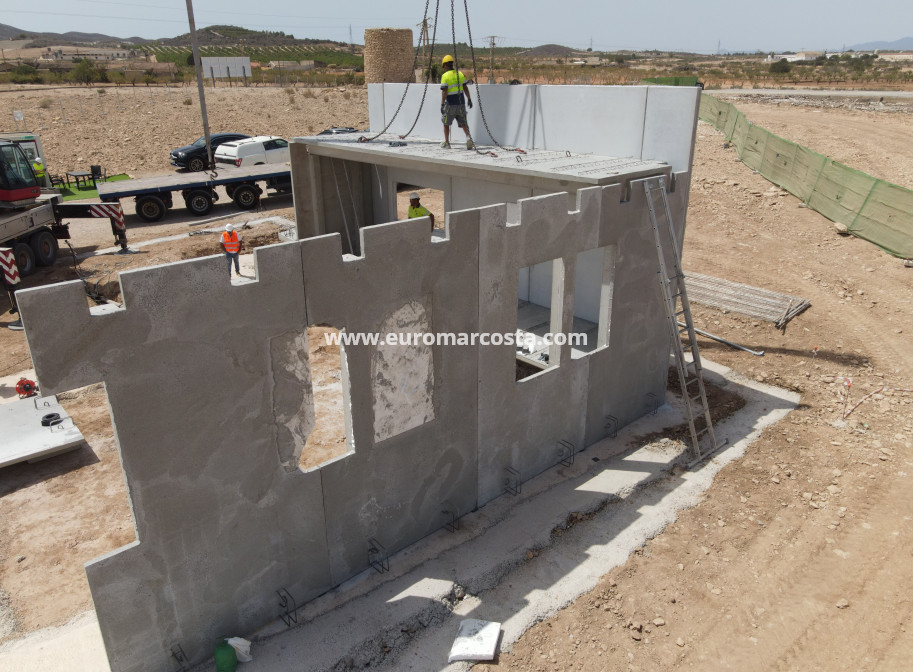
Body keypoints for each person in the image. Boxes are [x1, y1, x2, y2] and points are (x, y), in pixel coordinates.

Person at [439, 54, 473, 150]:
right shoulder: (460, 74)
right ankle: (468, 138)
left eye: (444, 66)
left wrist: (442, 104)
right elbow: (465, 88)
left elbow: (444, 91)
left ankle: (447, 143)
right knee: (463, 122)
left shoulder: (445, 76)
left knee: (446, 123)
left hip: (450, 103)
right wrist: (469, 99)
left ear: (445, 65)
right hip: (461, 102)